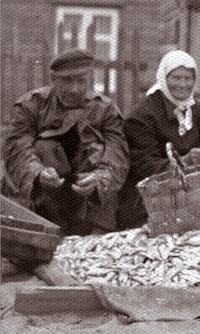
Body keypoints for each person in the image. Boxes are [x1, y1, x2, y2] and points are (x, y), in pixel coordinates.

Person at [2, 49, 129, 235]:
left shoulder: (106, 110)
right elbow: (17, 148)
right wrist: (38, 173)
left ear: (91, 80)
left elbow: (117, 153)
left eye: (81, 81)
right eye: (67, 81)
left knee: (96, 148)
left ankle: (95, 235)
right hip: (41, 200)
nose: (74, 89)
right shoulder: (32, 105)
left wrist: (100, 179)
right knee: (45, 147)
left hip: (89, 202)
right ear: (53, 79)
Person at [117, 50, 200, 230]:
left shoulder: (194, 108)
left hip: (186, 198)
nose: (183, 84)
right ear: (163, 78)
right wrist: (184, 161)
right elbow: (145, 164)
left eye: (189, 78)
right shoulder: (142, 115)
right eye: (176, 78)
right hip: (148, 204)